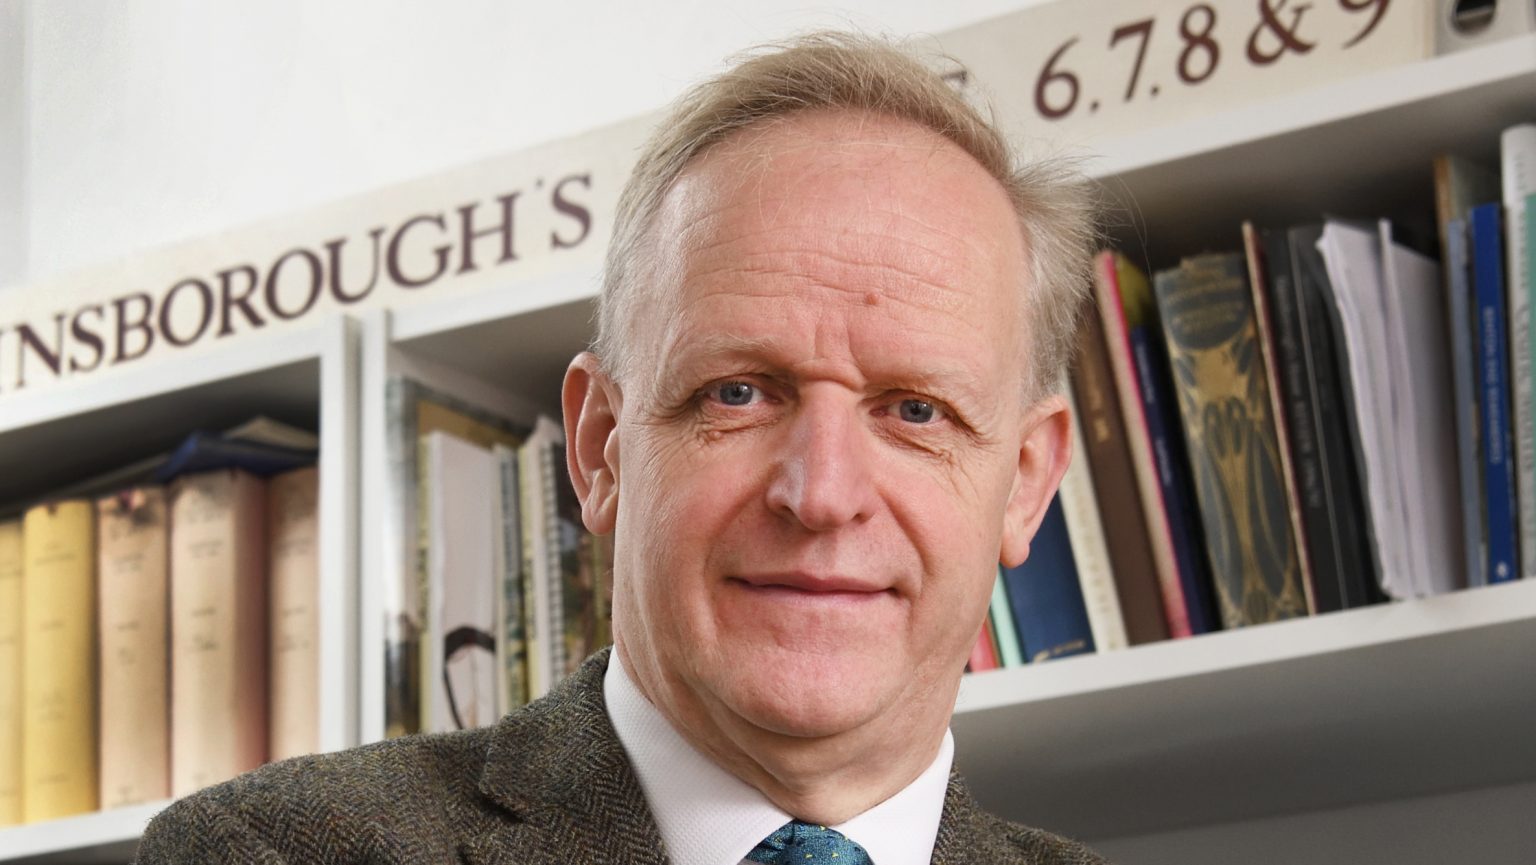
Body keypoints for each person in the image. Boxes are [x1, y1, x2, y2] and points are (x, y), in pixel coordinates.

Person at [134, 31, 1105, 865]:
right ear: (601, 446)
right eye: (738, 392)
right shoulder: (270, 849)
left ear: (1024, 483)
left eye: (915, 411)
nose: (822, 494)